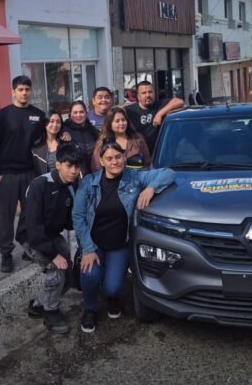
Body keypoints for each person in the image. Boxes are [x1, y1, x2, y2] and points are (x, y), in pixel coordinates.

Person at [72, 141, 176, 333]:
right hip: (93, 244)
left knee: (112, 287)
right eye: (109, 158)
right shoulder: (89, 182)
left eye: (118, 157)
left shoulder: (134, 177)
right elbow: (78, 217)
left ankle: (112, 297)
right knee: (90, 275)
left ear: (124, 158)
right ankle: (90, 308)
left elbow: (168, 173)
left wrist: (151, 188)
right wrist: (87, 249)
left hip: (119, 245)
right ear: (101, 161)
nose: (115, 162)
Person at [0, 75, 46, 273]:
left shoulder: (38, 115)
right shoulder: (3, 115)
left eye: (27, 90)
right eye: (20, 90)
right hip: (7, 175)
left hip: (30, 173)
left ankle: (26, 244)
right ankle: (6, 253)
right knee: (6, 215)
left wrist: (63, 132)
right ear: (13, 91)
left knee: (30, 213)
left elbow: (49, 134)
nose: (24, 93)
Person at [24, 144, 82, 334]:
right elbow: (33, 228)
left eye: (77, 166)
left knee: (67, 276)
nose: (74, 171)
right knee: (56, 271)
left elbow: (70, 221)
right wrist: (54, 254)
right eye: (69, 166)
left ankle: (39, 304)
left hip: (52, 235)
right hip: (32, 237)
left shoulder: (71, 187)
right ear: (57, 165)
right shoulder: (40, 185)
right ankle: (51, 313)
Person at [125, 81, 185, 153]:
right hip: (140, 155)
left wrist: (159, 114)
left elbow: (179, 102)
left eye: (150, 92)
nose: (148, 95)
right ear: (138, 96)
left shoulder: (160, 105)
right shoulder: (130, 110)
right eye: (144, 93)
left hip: (161, 154)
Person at [90, 107, 151, 172]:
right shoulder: (103, 143)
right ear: (110, 124)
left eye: (123, 120)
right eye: (117, 121)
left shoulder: (138, 139)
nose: (121, 123)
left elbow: (147, 163)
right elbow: (96, 168)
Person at [63, 100, 99, 175]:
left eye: (81, 112)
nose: (78, 115)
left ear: (86, 113)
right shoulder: (64, 131)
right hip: (74, 177)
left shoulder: (94, 132)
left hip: (95, 175)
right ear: (70, 114)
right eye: (75, 112)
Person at [31, 109, 63, 176]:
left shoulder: (65, 144)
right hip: (43, 184)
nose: (55, 124)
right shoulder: (37, 147)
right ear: (45, 124)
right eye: (51, 121)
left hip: (63, 184)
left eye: (58, 122)